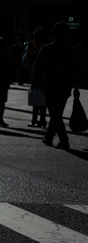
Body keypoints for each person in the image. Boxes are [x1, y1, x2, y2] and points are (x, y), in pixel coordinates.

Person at [34, 21, 80, 150]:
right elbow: (76, 71)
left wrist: (37, 79)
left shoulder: (47, 48)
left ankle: (64, 139)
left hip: (50, 84)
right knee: (57, 111)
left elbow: (37, 65)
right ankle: (48, 137)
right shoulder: (72, 51)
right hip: (65, 85)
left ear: (53, 34)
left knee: (55, 113)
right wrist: (77, 86)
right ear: (67, 34)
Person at [27, 27, 49, 128]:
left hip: (38, 76)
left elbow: (37, 64)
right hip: (44, 76)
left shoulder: (41, 48)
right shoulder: (45, 46)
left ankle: (36, 119)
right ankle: (41, 119)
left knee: (37, 98)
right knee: (41, 99)